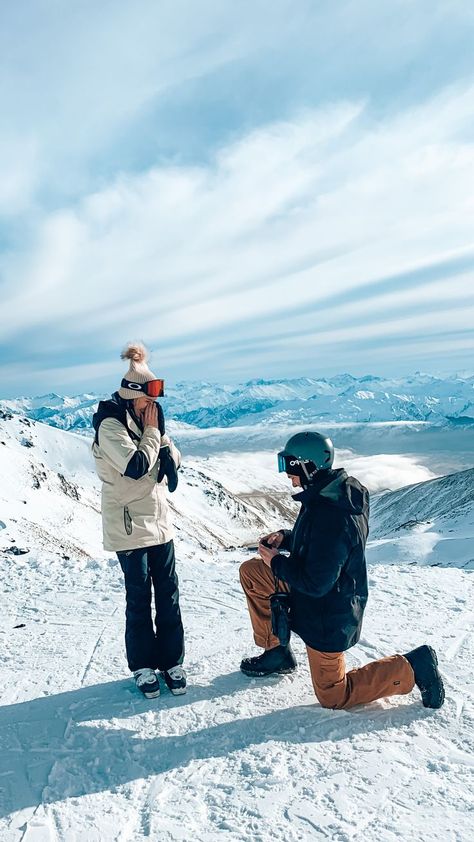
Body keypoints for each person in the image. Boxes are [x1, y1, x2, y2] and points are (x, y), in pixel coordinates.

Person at [239, 431, 445, 710]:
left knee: (333, 694)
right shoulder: (330, 492)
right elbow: (321, 546)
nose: (287, 475)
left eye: (290, 466)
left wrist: (275, 561)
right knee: (254, 572)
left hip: (328, 611)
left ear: (306, 465)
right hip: (318, 593)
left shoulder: (333, 515)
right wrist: (286, 537)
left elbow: (316, 582)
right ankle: (277, 652)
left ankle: (411, 666)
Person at [92, 343, 185, 699]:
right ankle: (143, 666)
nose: (153, 410)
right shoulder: (110, 426)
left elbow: (170, 450)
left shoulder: (148, 415)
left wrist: (164, 448)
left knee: (169, 595)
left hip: (159, 522)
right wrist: (153, 438)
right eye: (147, 402)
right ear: (132, 397)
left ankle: (172, 661)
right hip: (130, 526)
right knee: (138, 598)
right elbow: (134, 467)